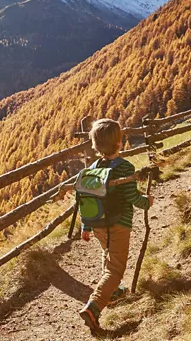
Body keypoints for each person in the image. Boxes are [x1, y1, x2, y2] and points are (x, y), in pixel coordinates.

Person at [77, 118, 153, 330]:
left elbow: (87, 199)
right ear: (119, 142)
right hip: (119, 223)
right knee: (116, 269)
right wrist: (147, 202)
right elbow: (133, 198)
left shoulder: (92, 168)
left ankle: (114, 292)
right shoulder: (125, 168)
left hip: (99, 224)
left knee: (108, 254)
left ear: (96, 144)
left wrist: (86, 226)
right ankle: (94, 306)